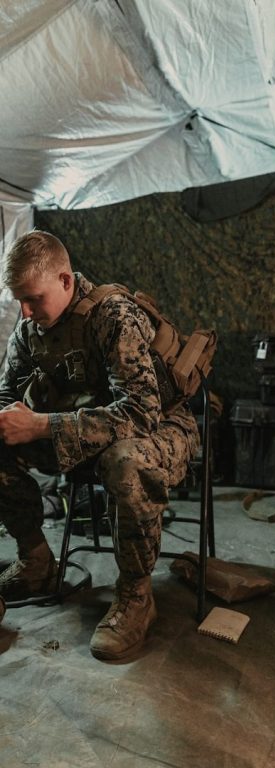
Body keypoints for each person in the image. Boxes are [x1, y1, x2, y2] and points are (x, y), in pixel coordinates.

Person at [0, 230, 200, 660]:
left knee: (124, 462)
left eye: (33, 298)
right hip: (84, 432)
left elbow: (140, 414)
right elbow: (6, 397)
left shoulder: (113, 316)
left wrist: (41, 426)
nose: (26, 311)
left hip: (162, 429)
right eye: (19, 300)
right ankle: (36, 563)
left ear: (66, 281)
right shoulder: (29, 328)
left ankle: (135, 597)